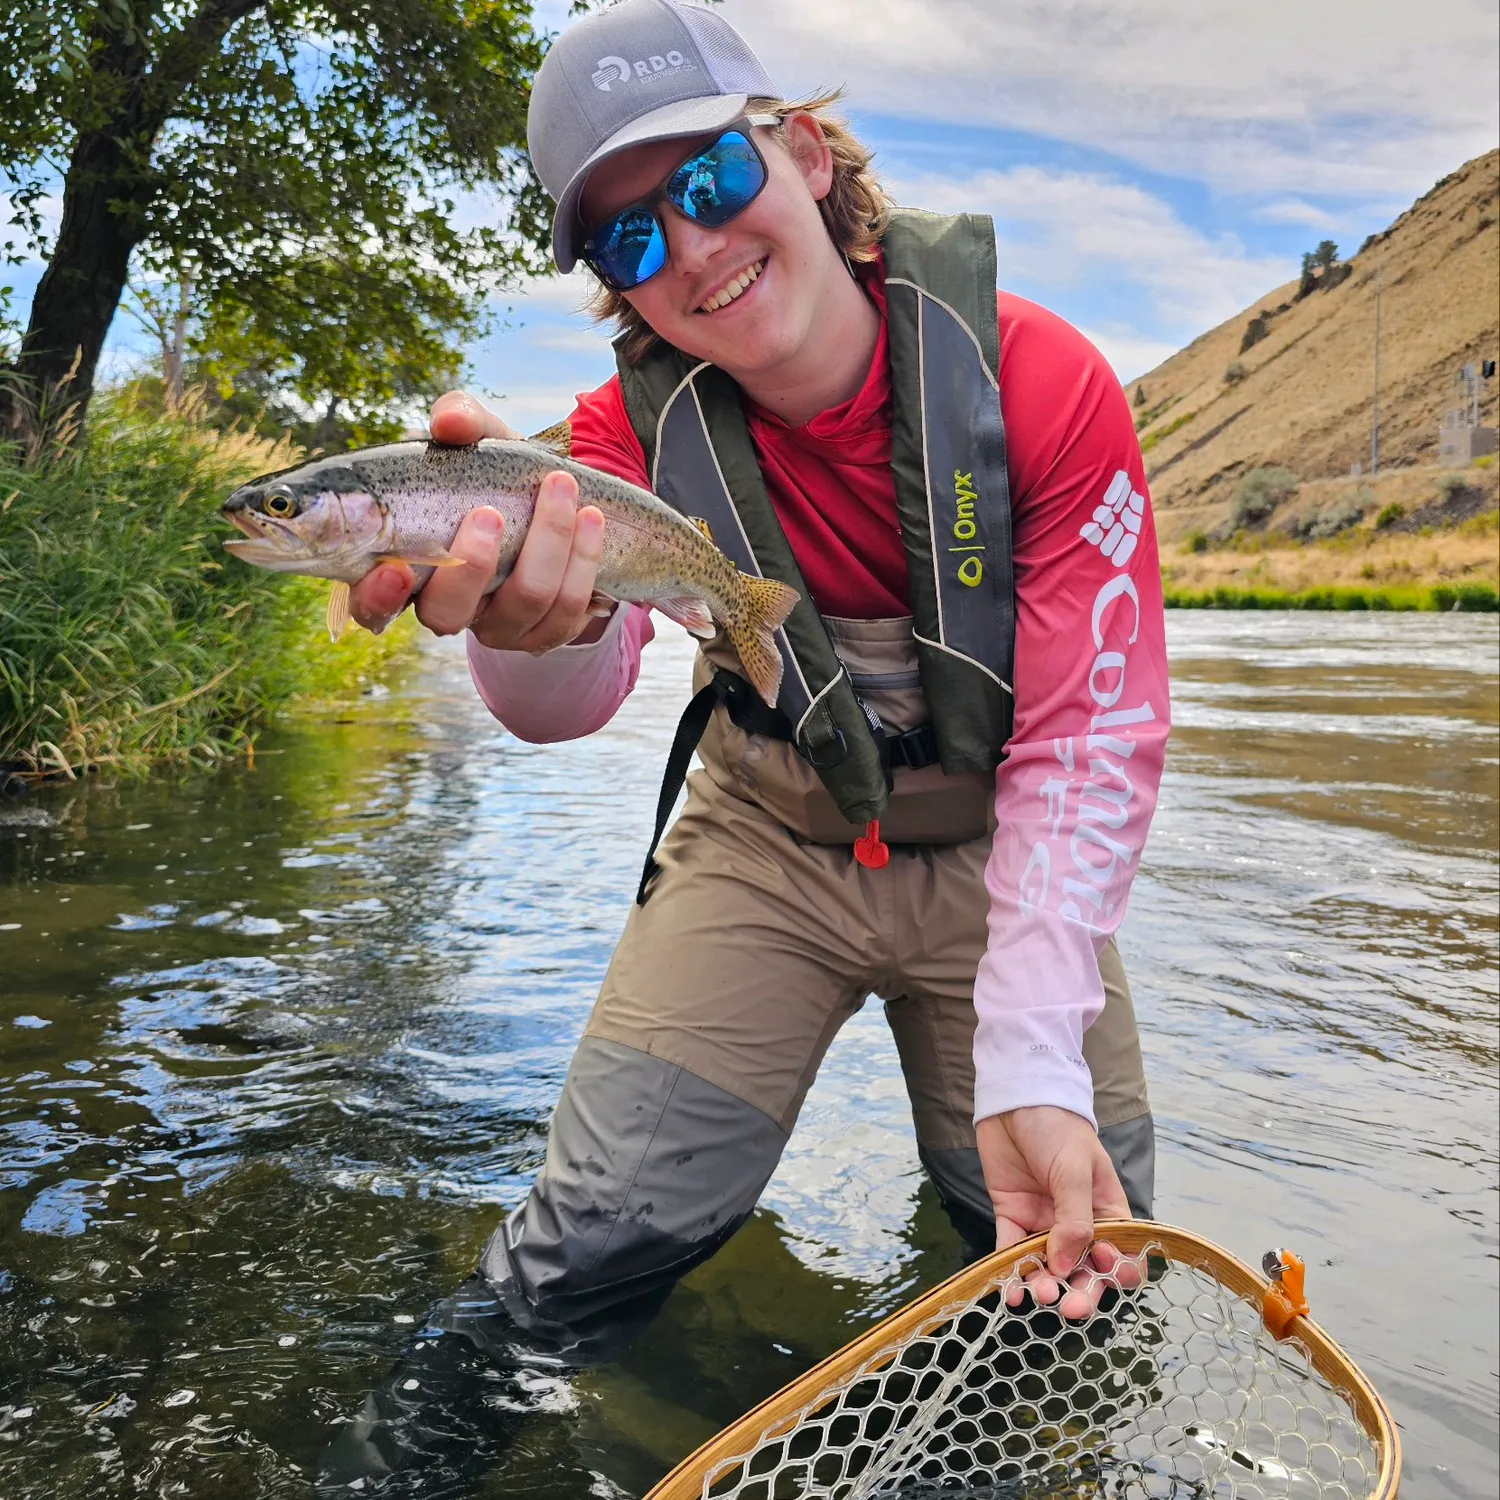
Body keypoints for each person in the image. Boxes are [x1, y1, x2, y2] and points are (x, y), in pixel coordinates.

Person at [327, 0, 1169, 1481]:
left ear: (807, 151)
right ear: (612, 290)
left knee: (1073, 1251)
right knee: (583, 1246)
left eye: (708, 183)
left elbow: (1094, 741)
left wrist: (1037, 1052)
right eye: (632, 242)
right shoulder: (609, 443)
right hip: (765, 839)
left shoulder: (1045, 383)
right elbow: (563, 702)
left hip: (1003, 859)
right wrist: (534, 632)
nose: (695, 250)